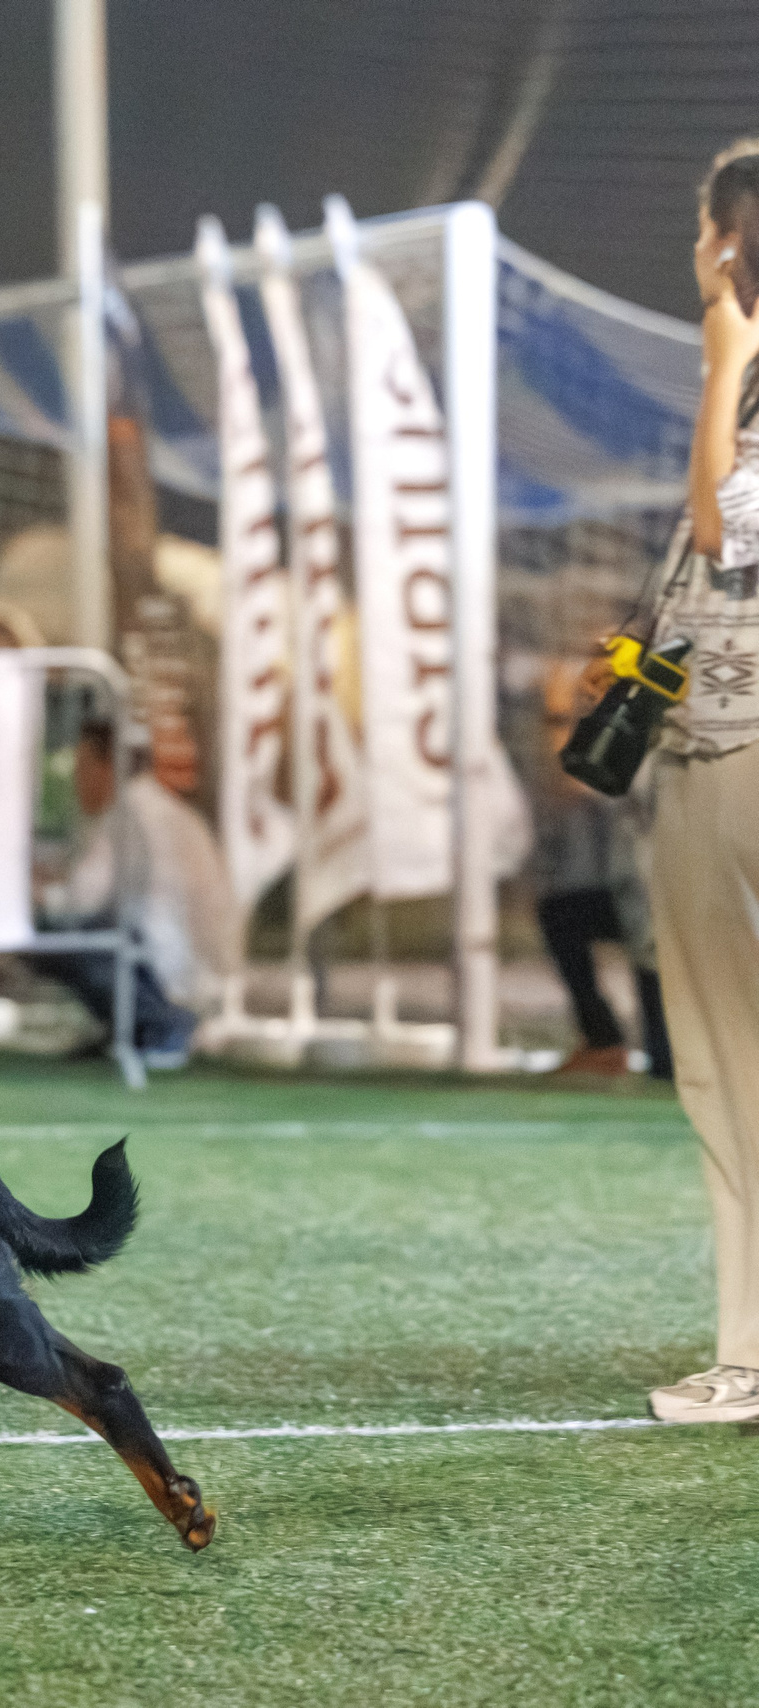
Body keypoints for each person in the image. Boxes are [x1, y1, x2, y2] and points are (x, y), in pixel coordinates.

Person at [640, 140, 759, 1425]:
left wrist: (724, 364)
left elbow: (733, 528)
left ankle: (751, 1353)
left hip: (740, 755)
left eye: (703, 227)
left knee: (730, 1065)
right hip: (710, 743)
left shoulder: (746, 374)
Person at [28, 721, 215, 1069]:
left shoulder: (128, 813)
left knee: (44, 935)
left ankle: (158, 1024)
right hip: (197, 969)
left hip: (163, 967)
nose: (78, 780)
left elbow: (79, 898)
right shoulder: (163, 808)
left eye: (83, 767)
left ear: (107, 764)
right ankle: (132, 1023)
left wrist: (33, 889)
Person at [532, 659, 669, 1079]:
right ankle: (604, 1041)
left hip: (679, 902)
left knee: (655, 942)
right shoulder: (628, 747)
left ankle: (651, 1048)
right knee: (564, 913)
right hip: (638, 896)